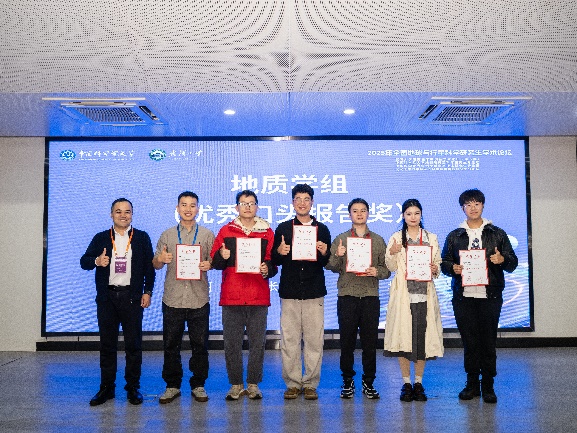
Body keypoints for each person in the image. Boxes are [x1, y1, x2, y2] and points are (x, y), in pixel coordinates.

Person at [441, 189, 518, 404]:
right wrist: (452, 268)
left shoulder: (497, 233)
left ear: (483, 205)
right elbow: (444, 262)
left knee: (488, 340)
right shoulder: (454, 235)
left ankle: (489, 385)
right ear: (462, 208)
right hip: (463, 296)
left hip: (490, 295)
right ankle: (472, 383)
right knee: (469, 341)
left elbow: (512, 263)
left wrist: (502, 259)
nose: (473, 208)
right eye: (468, 204)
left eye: (476, 203)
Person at [80, 198, 155, 406]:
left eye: (127, 211)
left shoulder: (141, 237)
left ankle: (133, 387)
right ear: (111, 214)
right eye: (118, 211)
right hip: (107, 298)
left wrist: (147, 292)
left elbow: (149, 269)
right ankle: (107, 388)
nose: (123, 215)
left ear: (132, 214)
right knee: (107, 345)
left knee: (133, 345)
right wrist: (97, 261)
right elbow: (84, 262)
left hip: (132, 297)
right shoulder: (101, 238)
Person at [210, 190, 277, 401]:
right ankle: (236, 384)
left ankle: (253, 384)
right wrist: (221, 256)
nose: (247, 207)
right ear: (236, 207)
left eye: (251, 203)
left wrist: (267, 269)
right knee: (232, 343)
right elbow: (215, 263)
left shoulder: (267, 232)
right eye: (243, 203)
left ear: (257, 207)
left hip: (258, 296)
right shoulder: (226, 230)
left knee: (258, 343)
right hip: (232, 296)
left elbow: (273, 262)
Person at [152, 191, 215, 404]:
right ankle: (172, 385)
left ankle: (198, 384)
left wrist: (209, 265)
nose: (188, 209)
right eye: (184, 205)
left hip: (199, 298)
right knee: (171, 345)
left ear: (198, 209)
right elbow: (155, 264)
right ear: (177, 208)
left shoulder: (207, 234)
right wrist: (161, 259)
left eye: (192, 205)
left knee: (200, 345)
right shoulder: (167, 235)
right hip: (173, 298)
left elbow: (215, 261)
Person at [326, 198, 390, 399]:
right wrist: (337, 255)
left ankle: (368, 382)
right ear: (349, 215)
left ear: (368, 213)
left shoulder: (378, 240)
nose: (359, 214)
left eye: (363, 210)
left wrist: (377, 271)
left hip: (370, 296)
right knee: (347, 342)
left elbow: (387, 269)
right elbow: (330, 266)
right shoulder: (341, 239)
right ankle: (347, 381)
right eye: (355, 211)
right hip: (347, 296)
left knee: (370, 343)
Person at [271, 184, 331, 401]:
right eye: (298, 199)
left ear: (312, 202)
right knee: (290, 340)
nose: (302, 203)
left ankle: (311, 384)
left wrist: (325, 252)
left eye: (306, 199)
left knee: (314, 340)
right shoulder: (283, 228)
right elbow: (274, 260)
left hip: (314, 291)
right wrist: (279, 252)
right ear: (292, 202)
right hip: (290, 291)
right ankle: (293, 383)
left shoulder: (322, 229)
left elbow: (326, 261)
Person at [383, 199, 444, 402]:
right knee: (403, 340)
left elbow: (437, 264)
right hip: (404, 295)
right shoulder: (396, 237)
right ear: (403, 216)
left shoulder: (431, 238)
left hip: (424, 295)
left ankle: (418, 383)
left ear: (421, 215)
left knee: (421, 341)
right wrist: (392, 253)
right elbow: (390, 266)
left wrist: (435, 269)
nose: (413, 217)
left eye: (416, 213)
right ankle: (406, 383)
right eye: (409, 213)